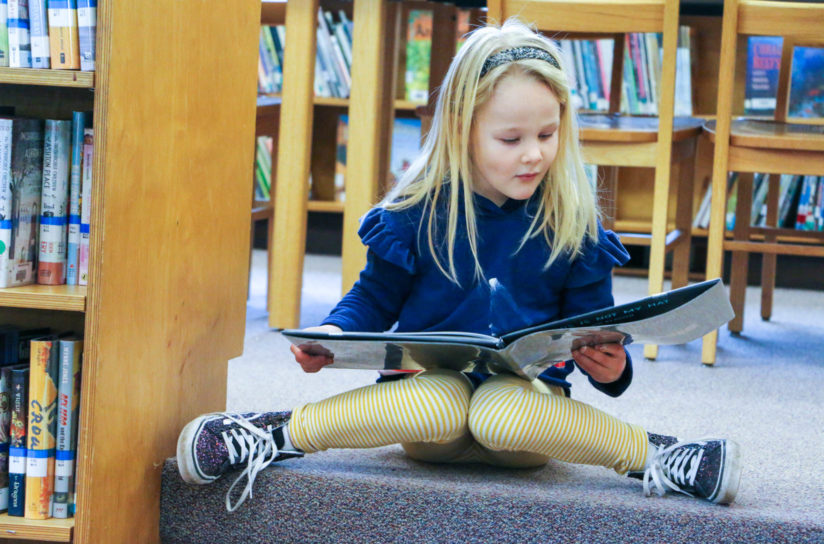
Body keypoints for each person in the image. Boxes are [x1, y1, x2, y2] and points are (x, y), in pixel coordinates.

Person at [176, 18, 741, 512]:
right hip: (426, 403)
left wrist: (612, 368)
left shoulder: (575, 226)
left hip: (528, 413)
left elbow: (594, 328)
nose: (534, 154)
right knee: (439, 404)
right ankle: (274, 436)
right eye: (510, 138)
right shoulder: (417, 213)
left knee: (500, 413)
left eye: (547, 134)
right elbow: (373, 297)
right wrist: (333, 332)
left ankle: (660, 456)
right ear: (461, 130)